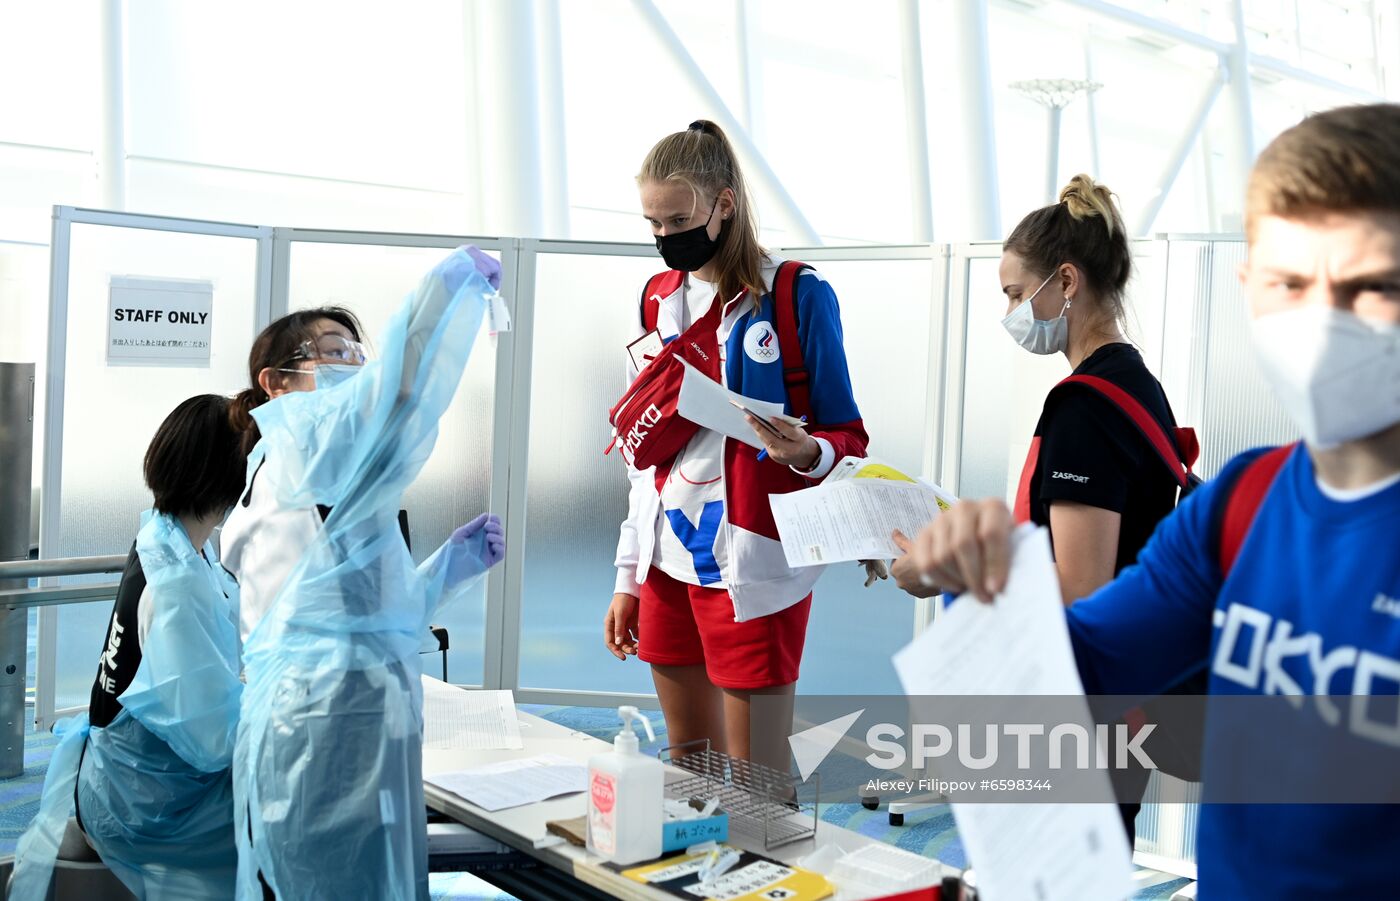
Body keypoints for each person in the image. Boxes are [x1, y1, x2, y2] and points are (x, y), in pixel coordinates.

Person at [904, 103, 1400, 898]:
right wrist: (980, 578)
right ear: (1249, 287)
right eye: (1290, 282)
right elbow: (1080, 668)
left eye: (1373, 284)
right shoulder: (1244, 504)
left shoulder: (1094, 405)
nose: (1322, 320)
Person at [894, 175, 1190, 839]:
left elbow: (1079, 587)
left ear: (1064, 281)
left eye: (1012, 292)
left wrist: (943, 566)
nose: (1009, 311)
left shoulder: (1086, 408)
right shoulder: (1136, 385)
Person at [220, 247, 506, 901]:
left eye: (355, 350)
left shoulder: (331, 468)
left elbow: (368, 609)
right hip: (322, 717)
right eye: (331, 351)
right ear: (276, 381)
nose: (352, 363)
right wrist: (442, 289)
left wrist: (449, 567)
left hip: (356, 705)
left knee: (374, 875)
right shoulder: (304, 440)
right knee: (333, 877)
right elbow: (398, 389)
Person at [605, 120, 869, 771]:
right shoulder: (658, 298)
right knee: (687, 766)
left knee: (758, 781)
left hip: (754, 559)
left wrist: (804, 452)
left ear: (724, 204)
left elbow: (849, 436)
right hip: (669, 558)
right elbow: (645, 452)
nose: (666, 237)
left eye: (679, 218)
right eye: (654, 223)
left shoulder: (795, 295)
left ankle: (767, 872)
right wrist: (628, 574)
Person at [12, 394, 246, 900]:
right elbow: (214, 741)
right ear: (233, 475)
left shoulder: (164, 536)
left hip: (118, 776)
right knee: (296, 825)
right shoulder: (179, 581)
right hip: (146, 805)